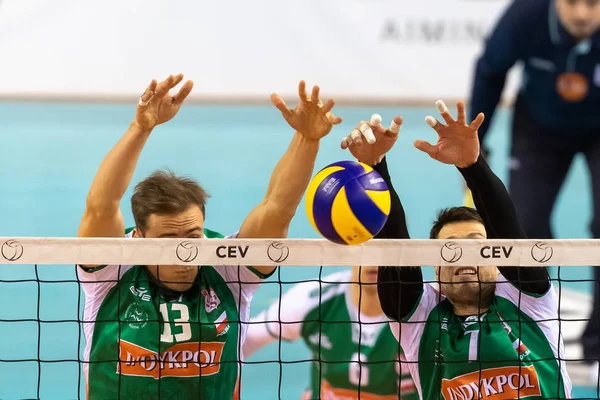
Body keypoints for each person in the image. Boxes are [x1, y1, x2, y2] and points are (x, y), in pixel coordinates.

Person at [76, 74, 342, 399]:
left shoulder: (228, 266)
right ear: (139, 236)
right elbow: (101, 207)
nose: (184, 252)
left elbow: (277, 208)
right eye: (168, 241)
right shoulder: (111, 270)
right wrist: (141, 128)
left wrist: (307, 139)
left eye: (193, 235)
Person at [342, 101, 572, 399]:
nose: (464, 254)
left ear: (497, 257)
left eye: (475, 244)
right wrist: (374, 169)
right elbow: (395, 246)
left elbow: (507, 230)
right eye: (450, 248)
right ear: (435, 268)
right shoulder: (420, 320)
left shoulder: (525, 300)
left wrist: (472, 166)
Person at [468, 0, 600, 376]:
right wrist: (475, 143)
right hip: (538, 130)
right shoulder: (525, 17)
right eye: (572, 2)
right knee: (522, 230)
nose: (581, 14)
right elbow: (490, 70)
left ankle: (599, 345)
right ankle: (531, 335)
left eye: (592, 3)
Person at [242, 265, 418, 399]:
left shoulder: (421, 310)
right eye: (368, 247)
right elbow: (243, 341)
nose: (374, 260)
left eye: (382, 248)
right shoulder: (314, 299)